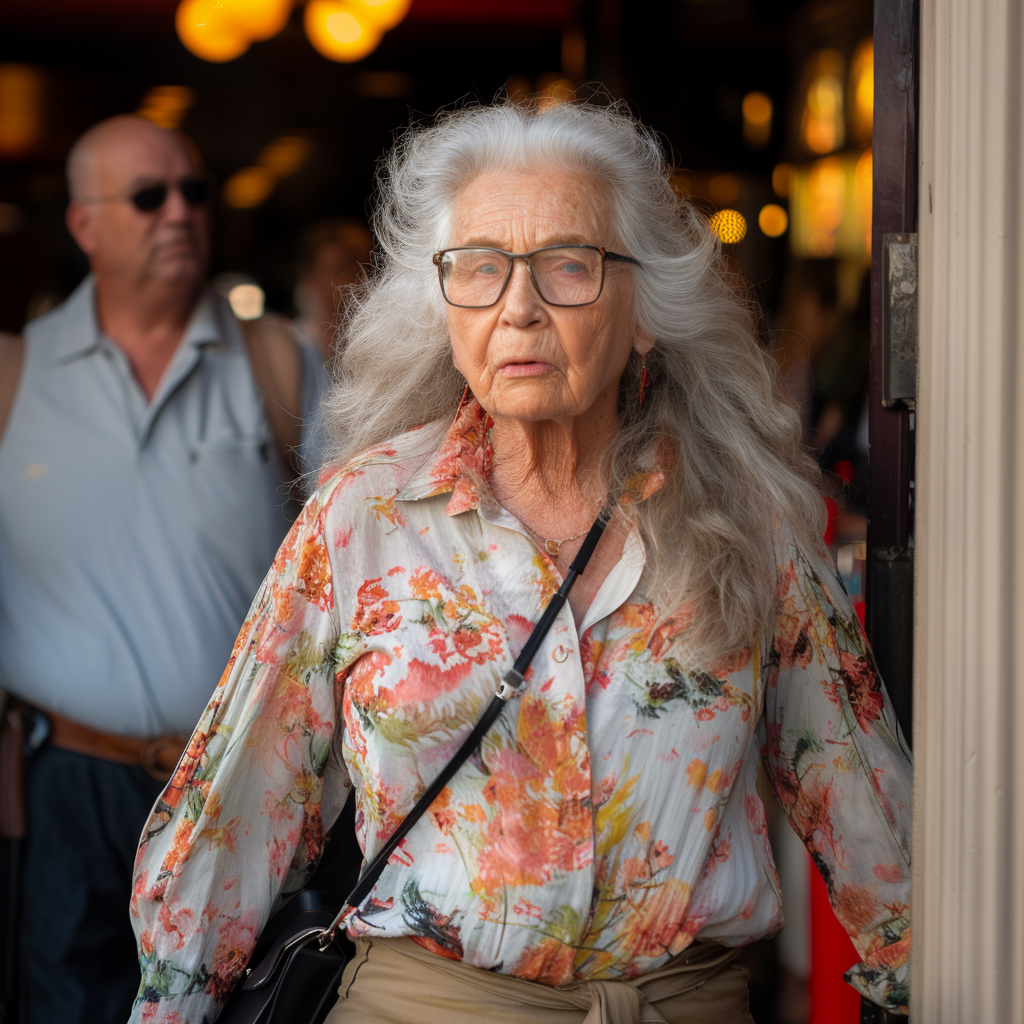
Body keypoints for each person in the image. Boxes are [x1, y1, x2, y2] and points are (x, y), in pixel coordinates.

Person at [129, 100, 912, 1024]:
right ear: (444, 309)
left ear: (646, 312)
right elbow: (230, 822)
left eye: (569, 266)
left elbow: (876, 827)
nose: (519, 308)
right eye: (480, 270)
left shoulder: (750, 523)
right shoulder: (364, 517)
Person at [0, 114, 325, 1024]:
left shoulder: (276, 361)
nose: (179, 211)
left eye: (194, 191)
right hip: (65, 783)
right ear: (85, 226)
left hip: (239, 784)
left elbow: (357, 558)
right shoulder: (15, 376)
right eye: (148, 196)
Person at [293, 218, 374, 360]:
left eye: (362, 270)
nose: (352, 282)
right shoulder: (295, 345)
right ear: (309, 278)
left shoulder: (376, 341)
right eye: (338, 271)